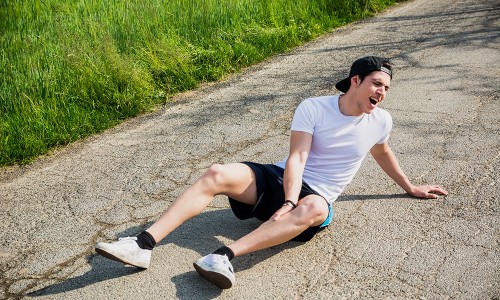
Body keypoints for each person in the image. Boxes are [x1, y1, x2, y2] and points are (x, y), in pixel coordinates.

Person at [95, 56, 448, 289]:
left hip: (316, 198)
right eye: (376, 84)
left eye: (386, 88)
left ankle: (223, 257)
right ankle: (142, 245)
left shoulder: (381, 121)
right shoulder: (315, 108)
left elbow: (382, 151)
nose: (382, 92)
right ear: (355, 80)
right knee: (217, 172)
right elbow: (297, 157)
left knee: (316, 208)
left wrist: (409, 185)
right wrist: (288, 198)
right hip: (283, 180)